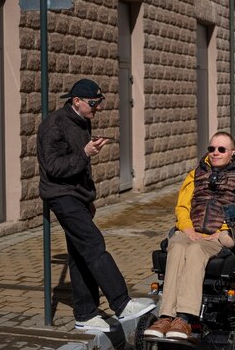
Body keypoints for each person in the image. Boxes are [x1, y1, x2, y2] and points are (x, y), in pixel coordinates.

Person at [37, 78, 155, 332]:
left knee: (80, 254)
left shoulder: (82, 120)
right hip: (61, 195)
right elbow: (54, 168)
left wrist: (89, 198)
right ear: (76, 101)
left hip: (77, 196)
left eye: (99, 103)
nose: (97, 108)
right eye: (93, 103)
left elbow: (81, 169)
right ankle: (122, 304)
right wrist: (85, 153)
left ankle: (85, 314)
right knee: (93, 245)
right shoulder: (54, 126)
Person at [144, 131, 235, 341]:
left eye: (221, 149)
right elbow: (182, 206)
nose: (215, 153)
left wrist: (221, 229)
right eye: (212, 148)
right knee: (177, 245)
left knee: (196, 250)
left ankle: (185, 319)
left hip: (223, 233)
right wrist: (187, 228)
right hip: (191, 231)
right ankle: (166, 316)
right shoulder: (196, 174)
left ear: (232, 153)